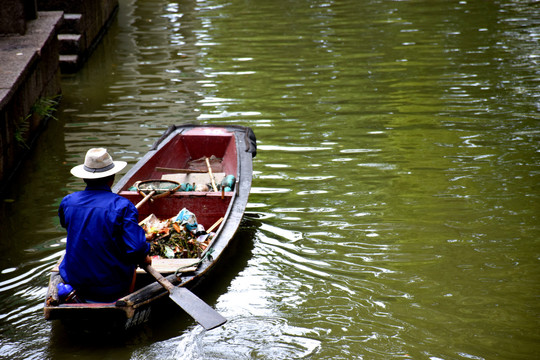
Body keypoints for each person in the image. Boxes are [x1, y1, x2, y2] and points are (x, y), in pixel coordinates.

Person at [58, 148, 151, 302]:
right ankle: (124, 298)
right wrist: (144, 256)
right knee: (134, 259)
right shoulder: (122, 206)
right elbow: (136, 248)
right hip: (112, 285)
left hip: (75, 280)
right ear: (112, 178)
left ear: (84, 178)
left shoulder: (68, 202)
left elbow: (67, 225)